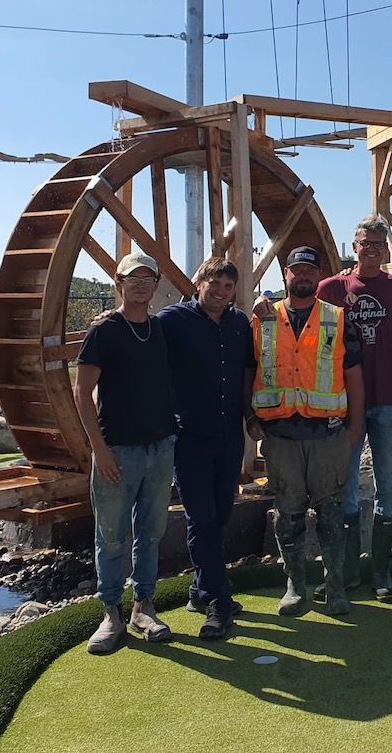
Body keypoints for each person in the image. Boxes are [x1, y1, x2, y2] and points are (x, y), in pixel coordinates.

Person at [248, 246, 364, 616]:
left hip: (327, 435)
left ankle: (334, 588)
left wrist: (353, 430)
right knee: (288, 513)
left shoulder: (340, 319)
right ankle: (295, 586)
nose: (303, 277)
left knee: (331, 513)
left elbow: (354, 378)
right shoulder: (262, 319)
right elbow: (248, 371)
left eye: (309, 272)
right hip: (281, 437)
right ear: (285, 274)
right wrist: (250, 419)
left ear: (319, 276)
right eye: (296, 271)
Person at [73, 252, 178, 655]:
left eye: (147, 279)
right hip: (118, 448)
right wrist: (99, 450)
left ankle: (144, 606)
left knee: (151, 532)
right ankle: (111, 612)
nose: (140, 285)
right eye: (132, 279)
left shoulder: (161, 329)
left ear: (155, 286)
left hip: (160, 446)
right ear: (118, 284)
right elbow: (82, 392)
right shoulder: (104, 332)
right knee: (112, 535)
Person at [315, 214, 392, 603]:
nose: (371, 250)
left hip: (389, 400)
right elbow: (295, 312)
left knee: (388, 486)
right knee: (346, 489)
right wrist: (263, 304)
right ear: (353, 246)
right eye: (365, 243)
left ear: (386, 249)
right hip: (344, 403)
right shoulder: (332, 288)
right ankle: (348, 570)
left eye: (378, 244)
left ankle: (382, 572)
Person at [156, 256, 252, 640]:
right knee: (202, 518)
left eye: (228, 287)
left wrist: (251, 417)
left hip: (229, 435)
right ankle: (218, 603)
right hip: (191, 438)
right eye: (214, 284)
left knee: (222, 514)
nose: (221, 292)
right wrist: (107, 321)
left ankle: (199, 590)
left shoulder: (238, 323)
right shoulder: (173, 321)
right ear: (199, 283)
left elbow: (249, 371)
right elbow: (136, 335)